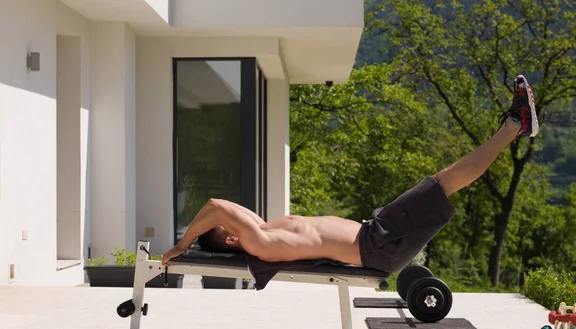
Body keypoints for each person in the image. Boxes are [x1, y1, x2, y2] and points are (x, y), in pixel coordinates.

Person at [161, 74, 539, 273]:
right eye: (231, 227)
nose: (241, 216)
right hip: (378, 243)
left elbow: (227, 211)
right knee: (443, 181)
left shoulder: (264, 230)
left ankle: (513, 126)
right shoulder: (259, 242)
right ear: (230, 240)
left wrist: (201, 235)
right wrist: (183, 245)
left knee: (443, 181)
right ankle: (513, 127)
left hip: (375, 237)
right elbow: (216, 206)